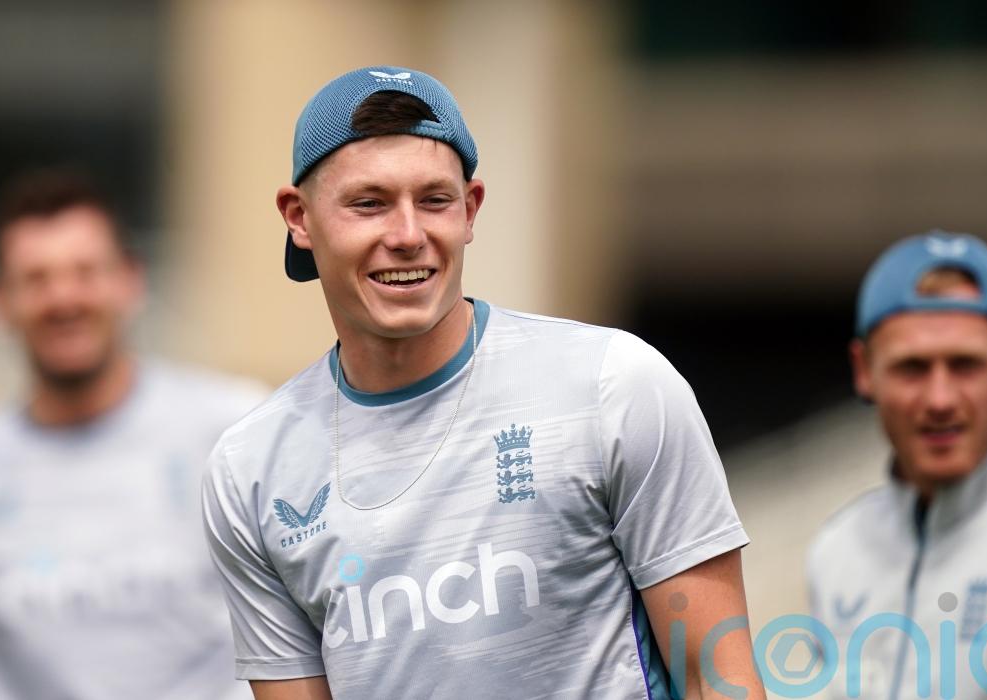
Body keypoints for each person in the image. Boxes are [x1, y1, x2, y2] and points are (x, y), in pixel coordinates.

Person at [202, 65, 764, 700]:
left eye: (434, 200)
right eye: (369, 203)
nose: (408, 236)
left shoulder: (613, 385)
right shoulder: (252, 467)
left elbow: (718, 679)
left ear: (470, 209)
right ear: (299, 218)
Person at [0, 169, 267, 700]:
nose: (64, 298)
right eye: (36, 279)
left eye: (86, 272)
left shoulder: (238, 433)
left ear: (131, 280)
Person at [808, 231, 987, 698]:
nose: (940, 399)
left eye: (965, 364)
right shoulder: (836, 551)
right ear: (864, 370)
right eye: (912, 368)